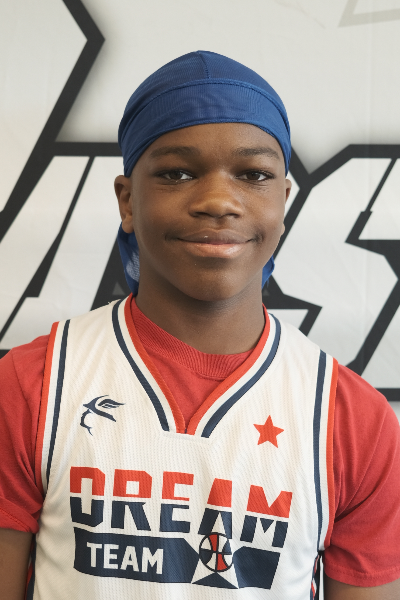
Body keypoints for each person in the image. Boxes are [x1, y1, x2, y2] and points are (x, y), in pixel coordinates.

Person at [0, 51, 399, 600]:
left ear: (283, 202)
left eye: (253, 175)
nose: (217, 201)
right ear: (127, 201)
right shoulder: (31, 387)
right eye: (177, 173)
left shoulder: (352, 420)